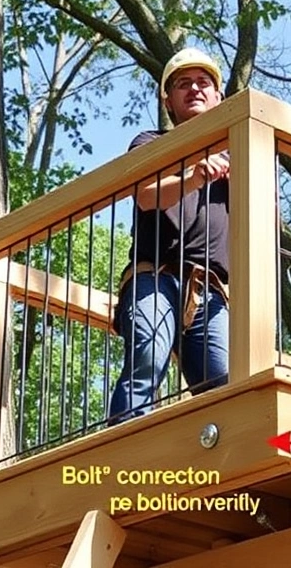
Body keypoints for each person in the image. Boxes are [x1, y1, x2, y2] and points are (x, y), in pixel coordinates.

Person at [108, 48, 231, 424]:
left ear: (218, 97)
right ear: (168, 100)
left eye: (203, 82)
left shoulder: (241, 149)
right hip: (155, 277)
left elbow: (269, 220)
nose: (194, 89)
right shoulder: (150, 142)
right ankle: (123, 452)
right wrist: (195, 175)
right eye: (183, 84)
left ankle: (225, 470)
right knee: (147, 358)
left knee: (225, 385)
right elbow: (146, 196)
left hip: (210, 290)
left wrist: (245, 169)